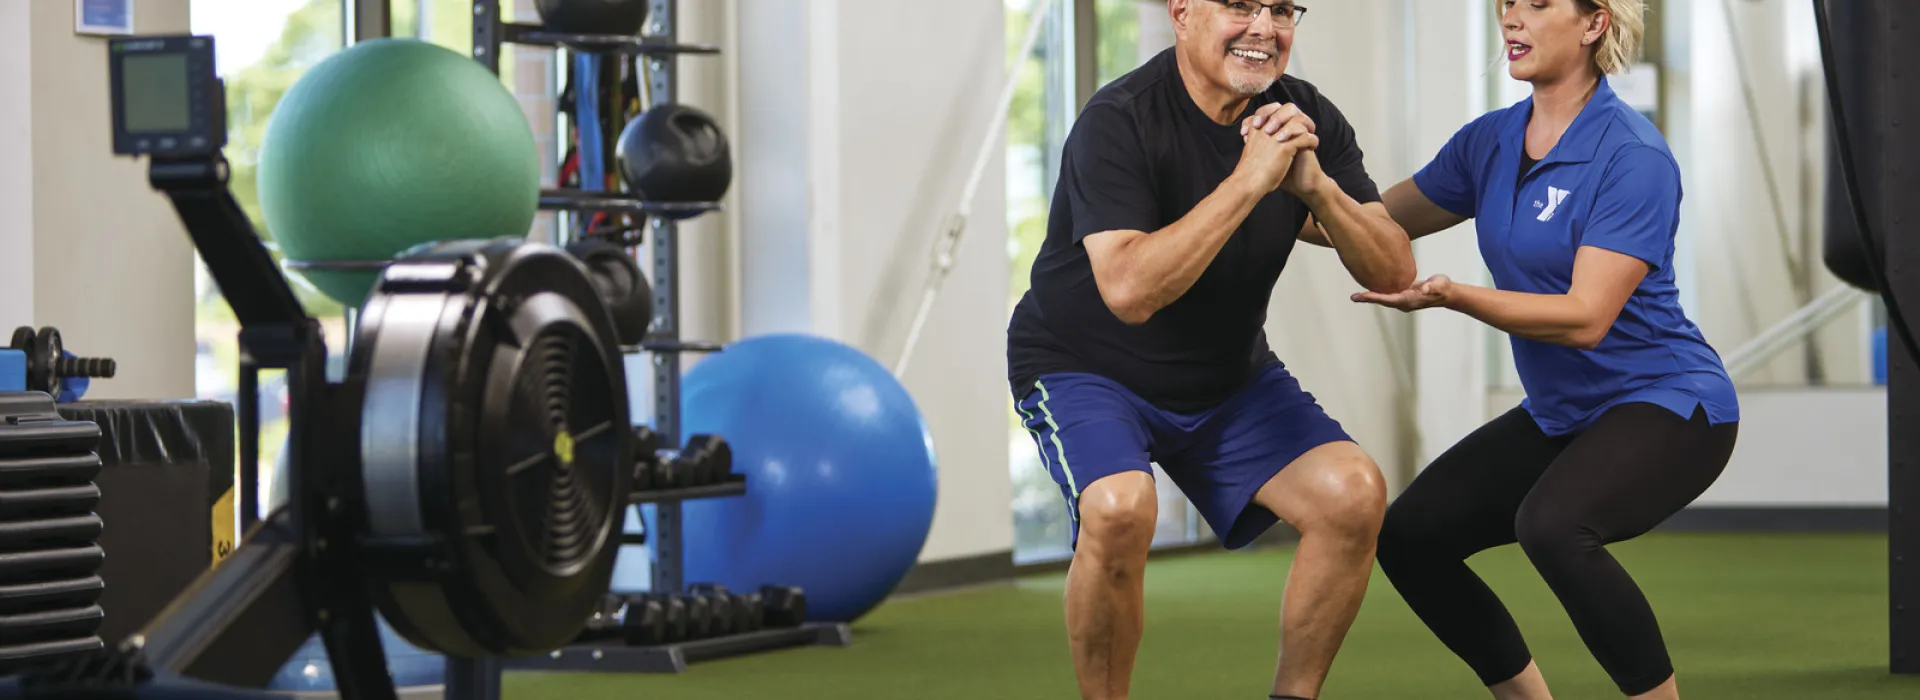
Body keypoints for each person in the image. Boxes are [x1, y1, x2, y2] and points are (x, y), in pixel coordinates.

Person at [1287, 1, 1736, 698]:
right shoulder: (1489, 143)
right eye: (1505, 6)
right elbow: (1362, 226)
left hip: (1670, 404)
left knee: (1554, 526)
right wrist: (1279, 181)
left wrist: (1454, 294)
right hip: (1564, 413)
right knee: (1412, 536)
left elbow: (1585, 318)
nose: (1512, 21)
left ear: (1593, 24)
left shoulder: (1632, 155)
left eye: (1536, 5)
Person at [1004, 1, 1418, 698]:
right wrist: (1250, 179)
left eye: (1282, 10)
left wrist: (1317, 187)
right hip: (1085, 366)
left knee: (1352, 494)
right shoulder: (1120, 119)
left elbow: (1393, 272)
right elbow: (1131, 291)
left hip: (1227, 378)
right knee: (1118, 508)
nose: (1263, 28)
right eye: (1239, 6)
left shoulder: (1306, 115)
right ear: (1183, 13)